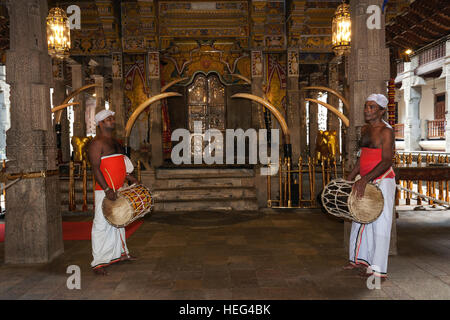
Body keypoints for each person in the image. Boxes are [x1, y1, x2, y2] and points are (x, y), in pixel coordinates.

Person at [343, 94, 396, 280]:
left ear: (382, 111)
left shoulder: (386, 131)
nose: (367, 110)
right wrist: (351, 178)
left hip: (382, 179)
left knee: (380, 224)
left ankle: (378, 270)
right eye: (366, 106)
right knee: (359, 219)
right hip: (364, 179)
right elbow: (361, 157)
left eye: (372, 107)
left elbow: (387, 160)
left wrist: (365, 179)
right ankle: (358, 260)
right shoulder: (365, 130)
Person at [88, 110, 138, 275]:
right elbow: (95, 168)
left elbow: (121, 165)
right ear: (100, 123)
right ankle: (99, 262)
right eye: (108, 119)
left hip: (119, 188)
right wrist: (107, 189)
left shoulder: (116, 142)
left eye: (112, 118)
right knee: (101, 225)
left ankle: (120, 254)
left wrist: (132, 179)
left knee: (119, 222)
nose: (112, 121)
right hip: (105, 191)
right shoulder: (97, 143)